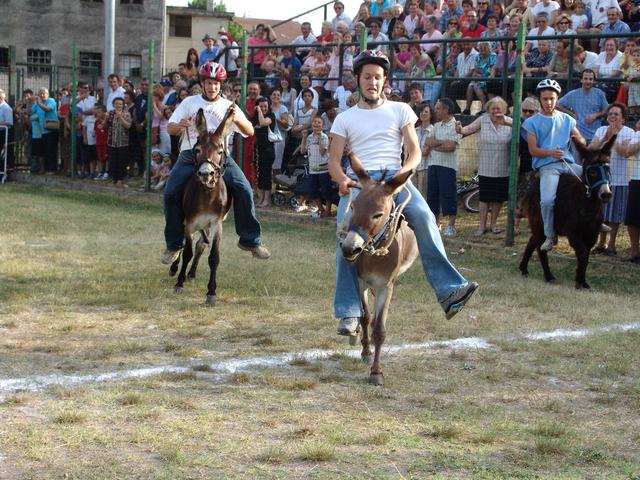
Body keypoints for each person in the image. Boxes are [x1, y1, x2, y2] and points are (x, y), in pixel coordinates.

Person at [328, 51, 478, 335]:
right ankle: (348, 311)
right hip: (360, 184)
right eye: (367, 77)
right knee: (343, 233)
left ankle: (450, 291)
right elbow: (335, 161)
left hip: (395, 181)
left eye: (377, 77)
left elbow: (414, 152)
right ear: (357, 80)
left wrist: (403, 175)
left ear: (384, 81)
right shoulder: (344, 118)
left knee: (424, 216)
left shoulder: (401, 110)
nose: (372, 82)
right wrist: (343, 179)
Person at [161, 61, 271, 265]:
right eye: (209, 83)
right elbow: (170, 128)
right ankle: (174, 245)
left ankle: (250, 241)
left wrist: (238, 119)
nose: (212, 87)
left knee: (244, 189)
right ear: (202, 83)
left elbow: (250, 131)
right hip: (190, 156)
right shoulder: (189, 103)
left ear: (221, 85)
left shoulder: (229, 106)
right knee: (170, 194)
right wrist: (179, 126)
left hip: (221, 158)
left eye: (216, 83)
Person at [523, 78, 597, 252]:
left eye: (552, 99)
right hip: (548, 166)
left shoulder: (567, 119)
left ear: (557, 99)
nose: (549, 102)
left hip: (568, 163)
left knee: (596, 181)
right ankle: (549, 235)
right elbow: (533, 150)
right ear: (540, 99)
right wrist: (550, 153)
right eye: (545, 99)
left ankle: (595, 221)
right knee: (547, 201)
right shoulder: (532, 122)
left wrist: (581, 141)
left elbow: (580, 138)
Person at [456, 97, 512, 236]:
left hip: (502, 166)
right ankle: (481, 226)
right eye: (493, 108)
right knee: (484, 198)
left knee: (498, 198)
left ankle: (493, 224)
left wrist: (508, 121)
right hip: (486, 166)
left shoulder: (510, 122)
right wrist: (459, 129)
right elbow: (467, 130)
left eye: (498, 108)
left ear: (504, 110)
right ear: (488, 109)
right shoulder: (482, 120)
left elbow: (522, 128)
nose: (495, 111)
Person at [590, 103, 635, 257]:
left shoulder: (629, 132)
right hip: (602, 180)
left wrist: (614, 137)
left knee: (614, 215)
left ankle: (612, 244)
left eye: (616, 114)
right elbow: (591, 149)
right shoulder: (601, 130)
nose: (612, 117)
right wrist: (605, 137)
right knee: (601, 213)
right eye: (610, 114)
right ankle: (600, 243)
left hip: (620, 180)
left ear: (623, 118)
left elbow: (625, 153)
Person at [425, 98, 462, 237]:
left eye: (438, 108)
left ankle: (451, 226)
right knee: (432, 195)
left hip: (448, 166)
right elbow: (428, 142)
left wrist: (435, 145)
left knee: (448, 195)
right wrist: (440, 143)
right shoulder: (436, 126)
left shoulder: (456, 126)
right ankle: (436, 223)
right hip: (433, 164)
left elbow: (451, 147)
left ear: (446, 110)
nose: (436, 110)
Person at [557, 69, 609, 150]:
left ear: (594, 81)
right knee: (577, 161)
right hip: (578, 135)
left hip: (595, 137)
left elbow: (607, 110)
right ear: (581, 80)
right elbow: (557, 105)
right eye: (585, 78)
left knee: (592, 161)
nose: (588, 81)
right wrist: (570, 114)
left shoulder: (599, 94)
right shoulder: (573, 94)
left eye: (591, 79)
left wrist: (596, 115)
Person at [301, 116, 332, 217]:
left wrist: (319, 140)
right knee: (312, 190)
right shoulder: (309, 137)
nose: (316, 124)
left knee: (326, 190)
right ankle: (321, 209)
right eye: (314, 122)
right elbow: (302, 151)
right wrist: (304, 137)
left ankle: (328, 210)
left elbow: (322, 152)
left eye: (319, 122)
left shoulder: (324, 137)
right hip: (313, 169)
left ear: (322, 126)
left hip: (323, 169)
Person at [252, 96, 277, 209]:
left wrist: (259, 112)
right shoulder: (255, 117)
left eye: (265, 106)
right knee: (260, 175)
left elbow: (262, 123)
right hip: (258, 150)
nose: (263, 108)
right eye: (261, 106)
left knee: (266, 174)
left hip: (268, 150)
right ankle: (261, 198)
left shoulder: (271, 116)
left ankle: (267, 199)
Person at [106, 97, 132, 187]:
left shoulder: (126, 114)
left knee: (121, 161)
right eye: (116, 103)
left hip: (123, 142)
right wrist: (104, 121)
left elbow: (128, 126)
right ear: (114, 104)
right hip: (112, 141)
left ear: (123, 105)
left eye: (120, 104)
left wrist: (120, 116)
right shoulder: (110, 114)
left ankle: (120, 179)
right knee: (113, 161)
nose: (118, 105)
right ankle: (114, 178)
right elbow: (106, 124)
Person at [414, 102, 434, 199]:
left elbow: (426, 152)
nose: (423, 113)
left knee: (423, 196)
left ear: (431, 114)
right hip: (413, 168)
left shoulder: (433, 131)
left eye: (426, 111)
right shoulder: (414, 130)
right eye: (421, 111)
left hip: (426, 168)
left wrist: (416, 151)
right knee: (413, 196)